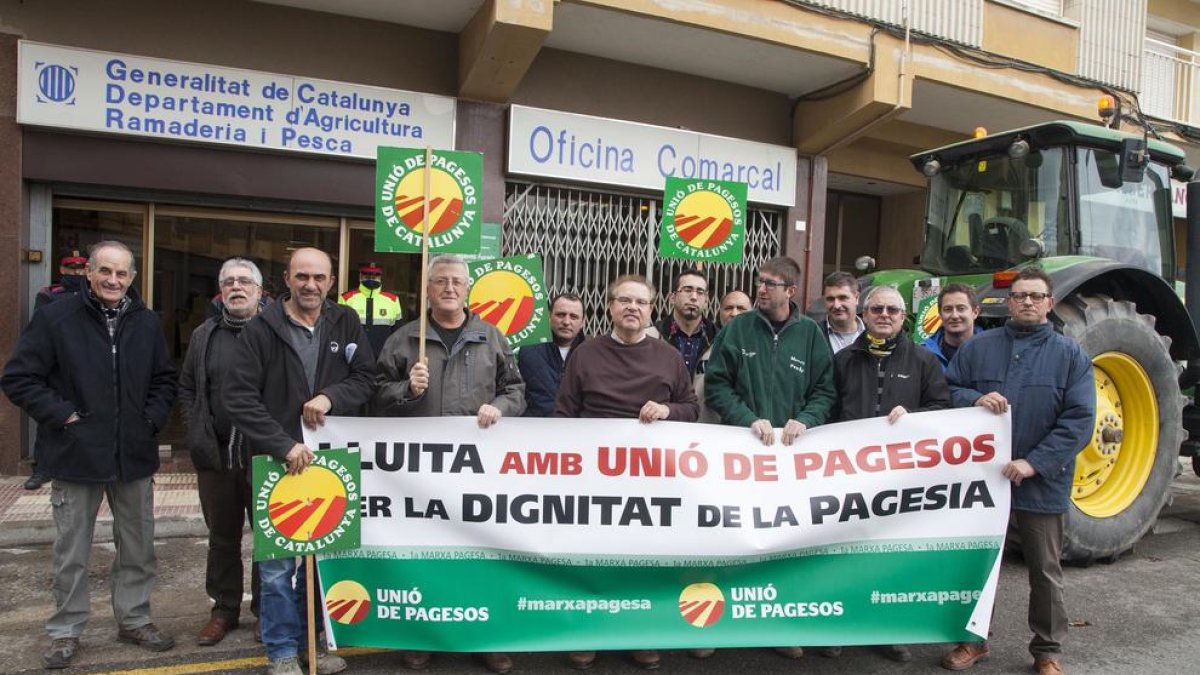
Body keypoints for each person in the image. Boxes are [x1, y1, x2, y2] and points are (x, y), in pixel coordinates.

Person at [1, 240, 178, 670]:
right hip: (75, 454)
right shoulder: (55, 318)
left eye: (121, 273)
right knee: (71, 552)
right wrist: (63, 415)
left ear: (132, 278)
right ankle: (66, 631)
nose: (113, 280)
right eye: (105, 271)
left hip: (133, 456)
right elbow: (19, 378)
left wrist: (149, 420)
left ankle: (134, 620)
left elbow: (165, 380)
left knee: (137, 547)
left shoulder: (147, 322)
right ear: (89, 273)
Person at [223, 247, 377, 675]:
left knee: (319, 564)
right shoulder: (260, 329)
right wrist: (280, 444)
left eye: (320, 278)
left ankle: (314, 647)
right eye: (302, 277)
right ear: (287, 280)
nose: (311, 285)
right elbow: (237, 398)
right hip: (279, 465)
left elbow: (366, 377)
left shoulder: (345, 321)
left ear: (331, 281)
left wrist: (331, 396)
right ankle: (282, 653)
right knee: (276, 571)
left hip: (330, 463)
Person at [375, 254, 525, 674]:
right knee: (425, 556)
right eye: (440, 281)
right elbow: (375, 393)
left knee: (479, 553)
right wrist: (406, 389)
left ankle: (485, 637)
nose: (449, 288)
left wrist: (500, 407)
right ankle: (423, 636)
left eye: (457, 281)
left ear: (468, 288)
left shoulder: (491, 337)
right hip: (420, 477)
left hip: (477, 471)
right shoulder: (404, 339)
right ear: (427, 289)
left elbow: (516, 389)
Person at [942, 267, 1094, 675]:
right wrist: (973, 398)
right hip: (983, 481)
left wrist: (1034, 463)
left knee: (1044, 571)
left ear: (1049, 302)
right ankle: (972, 641)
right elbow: (947, 391)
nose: (1027, 301)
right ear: (1008, 302)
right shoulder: (979, 348)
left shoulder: (1070, 355)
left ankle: (1047, 650)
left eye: (1036, 296)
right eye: (1020, 295)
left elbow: (1079, 420)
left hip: (1041, 483)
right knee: (978, 565)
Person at [555, 274, 699, 671]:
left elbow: (691, 407)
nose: (632, 307)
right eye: (624, 300)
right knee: (593, 559)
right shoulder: (585, 355)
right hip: (594, 478)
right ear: (610, 306)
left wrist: (669, 411)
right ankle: (588, 634)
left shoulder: (668, 356)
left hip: (652, 480)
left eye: (641, 302)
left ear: (653, 309)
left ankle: (641, 635)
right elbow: (564, 414)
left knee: (642, 561)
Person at [703, 257, 834, 661]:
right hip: (742, 457)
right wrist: (746, 419)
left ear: (790, 291)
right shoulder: (738, 329)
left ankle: (779, 623)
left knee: (784, 542)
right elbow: (717, 386)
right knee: (731, 538)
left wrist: (806, 419)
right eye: (759, 282)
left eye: (770, 284)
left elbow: (825, 391)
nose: (761, 289)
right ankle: (716, 626)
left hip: (791, 463)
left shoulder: (811, 334)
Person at [832, 285, 949, 663]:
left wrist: (916, 420)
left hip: (900, 478)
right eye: (877, 308)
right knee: (846, 554)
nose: (884, 315)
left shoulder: (924, 361)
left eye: (893, 310)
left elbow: (942, 409)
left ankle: (889, 630)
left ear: (904, 317)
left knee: (891, 556)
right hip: (846, 474)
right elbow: (827, 407)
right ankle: (843, 628)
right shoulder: (844, 360)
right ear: (864, 315)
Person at [178, 258, 266, 647]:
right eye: (229, 282)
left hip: (264, 454)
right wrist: (196, 431)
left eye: (245, 281)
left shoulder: (275, 331)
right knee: (222, 538)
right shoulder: (204, 334)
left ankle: (267, 611)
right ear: (220, 290)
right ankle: (224, 610)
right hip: (216, 455)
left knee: (269, 539)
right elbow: (187, 388)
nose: (236, 287)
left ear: (259, 291)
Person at [23, 251, 91, 491]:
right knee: (50, 419)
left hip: (87, 366)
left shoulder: (96, 295)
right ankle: (42, 468)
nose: (77, 274)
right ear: (62, 271)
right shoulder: (49, 295)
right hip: (58, 366)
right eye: (72, 270)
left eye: (81, 270)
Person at [518, 293, 585, 417]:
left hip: (576, 431)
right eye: (561, 315)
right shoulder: (527, 351)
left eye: (574, 317)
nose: (566, 322)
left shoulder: (591, 355)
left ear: (582, 322)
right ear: (549, 316)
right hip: (535, 430)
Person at [695, 289, 751, 424]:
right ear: (719, 312)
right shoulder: (705, 345)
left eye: (741, 308)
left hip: (747, 429)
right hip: (706, 430)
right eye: (729, 308)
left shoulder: (761, 348)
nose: (734, 313)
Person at [654, 268, 717, 377]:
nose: (693, 297)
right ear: (672, 298)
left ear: (706, 301)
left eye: (700, 292)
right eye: (687, 290)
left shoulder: (718, 339)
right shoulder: (652, 336)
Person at [339, 261, 403, 357]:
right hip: (354, 358)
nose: (371, 278)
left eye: (375, 275)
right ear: (360, 276)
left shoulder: (392, 300)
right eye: (367, 275)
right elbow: (340, 331)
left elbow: (398, 333)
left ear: (380, 277)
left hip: (383, 358)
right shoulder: (346, 298)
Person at [922, 283, 982, 370]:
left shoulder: (991, 350)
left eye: (961, 308)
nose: (954, 316)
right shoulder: (923, 354)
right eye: (948, 309)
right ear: (940, 314)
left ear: (975, 312)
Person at [821, 271, 864, 353]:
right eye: (830, 299)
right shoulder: (813, 334)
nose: (836, 305)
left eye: (842, 298)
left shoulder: (872, 332)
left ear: (857, 298)